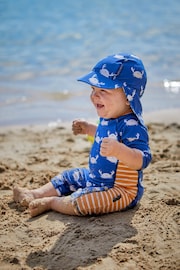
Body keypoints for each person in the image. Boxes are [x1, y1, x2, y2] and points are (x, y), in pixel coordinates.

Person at [13, 52, 152, 217]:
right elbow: (103, 135)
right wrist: (88, 129)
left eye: (103, 89)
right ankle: (35, 194)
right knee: (69, 176)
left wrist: (120, 151)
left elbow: (143, 159)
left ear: (129, 96)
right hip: (96, 179)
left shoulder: (133, 126)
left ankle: (52, 203)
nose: (94, 95)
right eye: (93, 89)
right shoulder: (109, 116)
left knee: (83, 201)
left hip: (120, 191)